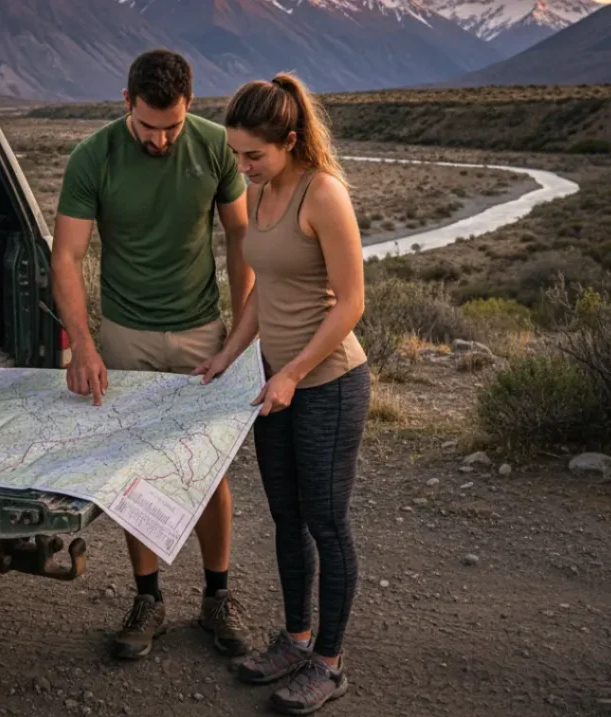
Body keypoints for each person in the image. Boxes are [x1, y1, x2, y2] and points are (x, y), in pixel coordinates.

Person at [50, 48, 254, 661]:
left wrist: (242, 328)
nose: (162, 140)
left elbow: (241, 234)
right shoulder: (94, 156)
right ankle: (149, 599)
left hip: (201, 333)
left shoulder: (216, 146)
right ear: (125, 104)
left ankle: (217, 597)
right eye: (148, 126)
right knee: (137, 469)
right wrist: (83, 345)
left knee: (207, 467)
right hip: (124, 335)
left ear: (189, 106)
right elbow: (66, 256)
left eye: (173, 126)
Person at [191, 72, 371, 715]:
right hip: (276, 384)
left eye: (253, 155)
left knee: (326, 521)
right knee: (287, 518)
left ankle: (329, 663)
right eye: (236, 154)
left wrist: (293, 372)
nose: (241, 166)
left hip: (328, 383)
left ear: (290, 141)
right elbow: (264, 290)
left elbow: (350, 303)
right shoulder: (261, 192)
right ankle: (295, 641)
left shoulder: (323, 194)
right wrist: (228, 355)